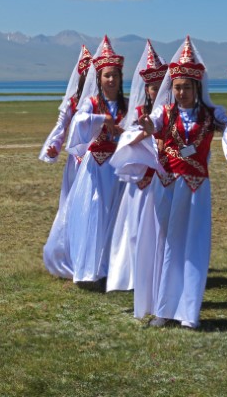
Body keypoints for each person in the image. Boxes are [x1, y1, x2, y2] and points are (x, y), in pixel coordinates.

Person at [114, 36, 227, 328]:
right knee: (166, 244)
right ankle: (163, 310)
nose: (181, 92)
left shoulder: (211, 115)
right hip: (166, 186)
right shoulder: (164, 114)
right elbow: (147, 130)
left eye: (186, 87)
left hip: (196, 188)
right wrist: (148, 130)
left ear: (196, 87)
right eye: (176, 87)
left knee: (194, 245)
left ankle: (188, 312)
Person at [63, 35, 127, 285]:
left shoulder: (127, 105)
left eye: (115, 75)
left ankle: (111, 269)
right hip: (95, 167)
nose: (111, 80)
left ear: (121, 78)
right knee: (94, 212)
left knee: (116, 215)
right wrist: (102, 120)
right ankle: (89, 269)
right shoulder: (91, 103)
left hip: (118, 166)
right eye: (106, 75)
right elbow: (78, 123)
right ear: (98, 78)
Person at [106, 39, 167, 294]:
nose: (154, 91)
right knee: (135, 226)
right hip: (142, 175)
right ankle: (133, 274)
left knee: (160, 227)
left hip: (164, 174)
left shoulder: (171, 111)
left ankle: (158, 272)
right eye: (151, 87)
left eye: (159, 86)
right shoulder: (139, 110)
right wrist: (140, 136)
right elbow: (128, 137)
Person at [40, 45, 92, 279]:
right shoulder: (73, 103)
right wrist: (53, 148)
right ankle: (68, 257)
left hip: (99, 164)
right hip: (76, 164)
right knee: (72, 209)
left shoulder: (104, 102)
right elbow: (61, 130)